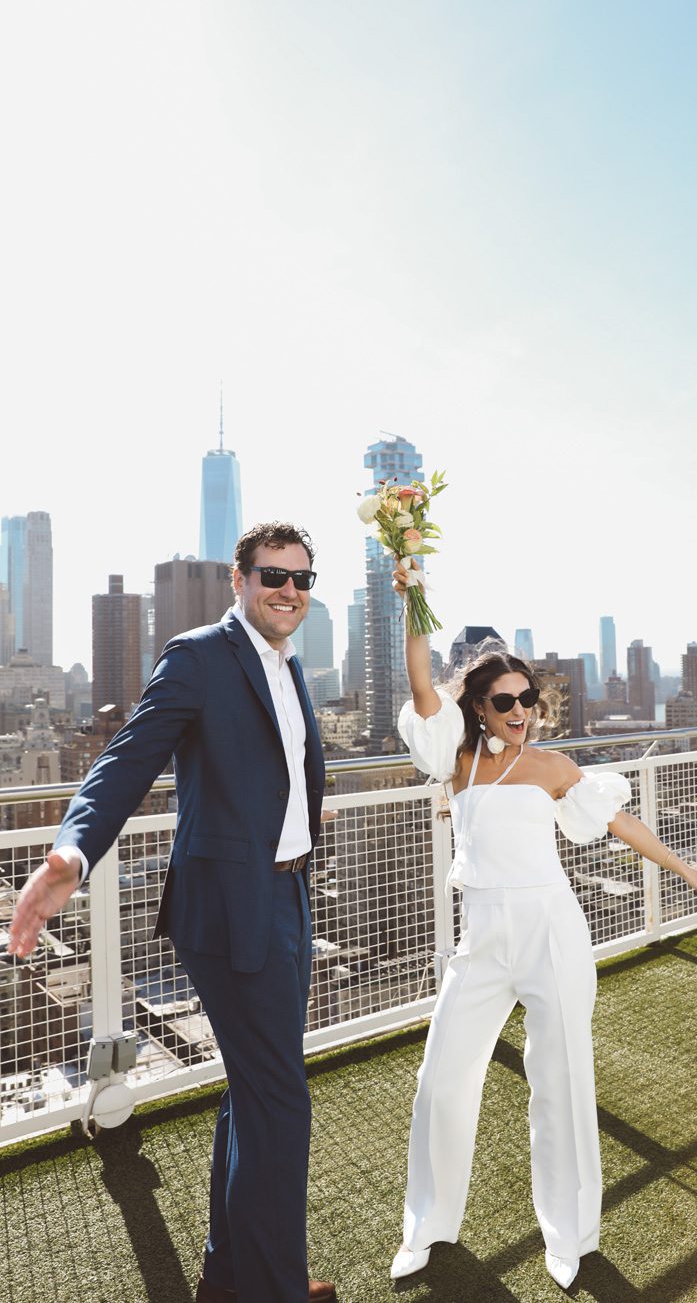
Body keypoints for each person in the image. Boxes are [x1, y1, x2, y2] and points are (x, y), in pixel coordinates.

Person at [8, 521, 337, 1303]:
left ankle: (228, 1279)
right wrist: (71, 855)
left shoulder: (290, 669)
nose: (289, 590)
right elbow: (128, 757)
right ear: (240, 579)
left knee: (258, 1092)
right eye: (273, 576)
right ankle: (276, 1291)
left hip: (288, 895)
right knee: (281, 1099)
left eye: (302, 579)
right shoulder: (198, 656)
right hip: (231, 909)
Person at [389, 561, 697, 1291]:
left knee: (562, 1083)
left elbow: (621, 821)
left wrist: (688, 871)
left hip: (551, 929)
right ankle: (428, 1227)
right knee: (442, 1081)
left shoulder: (551, 766)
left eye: (529, 699)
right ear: (477, 707)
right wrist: (410, 593)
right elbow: (422, 682)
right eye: (505, 700)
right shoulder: (456, 760)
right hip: (481, 937)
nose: (520, 711)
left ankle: (571, 1239)